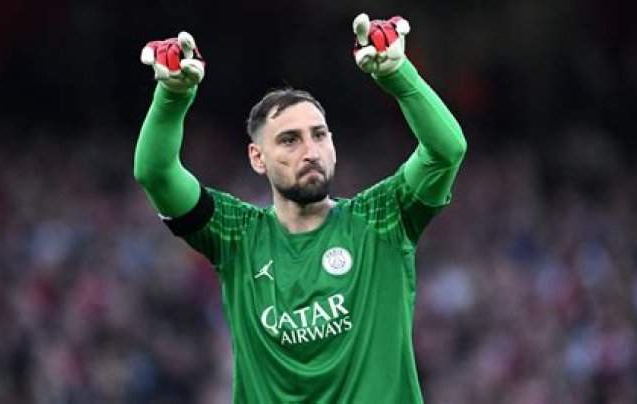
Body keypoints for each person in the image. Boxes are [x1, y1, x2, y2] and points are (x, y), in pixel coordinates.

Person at [134, 13, 467, 403]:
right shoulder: (236, 236)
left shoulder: (381, 219)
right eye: (289, 140)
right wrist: (171, 97)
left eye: (319, 135)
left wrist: (398, 75)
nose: (310, 152)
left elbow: (447, 151)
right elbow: (155, 173)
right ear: (257, 158)